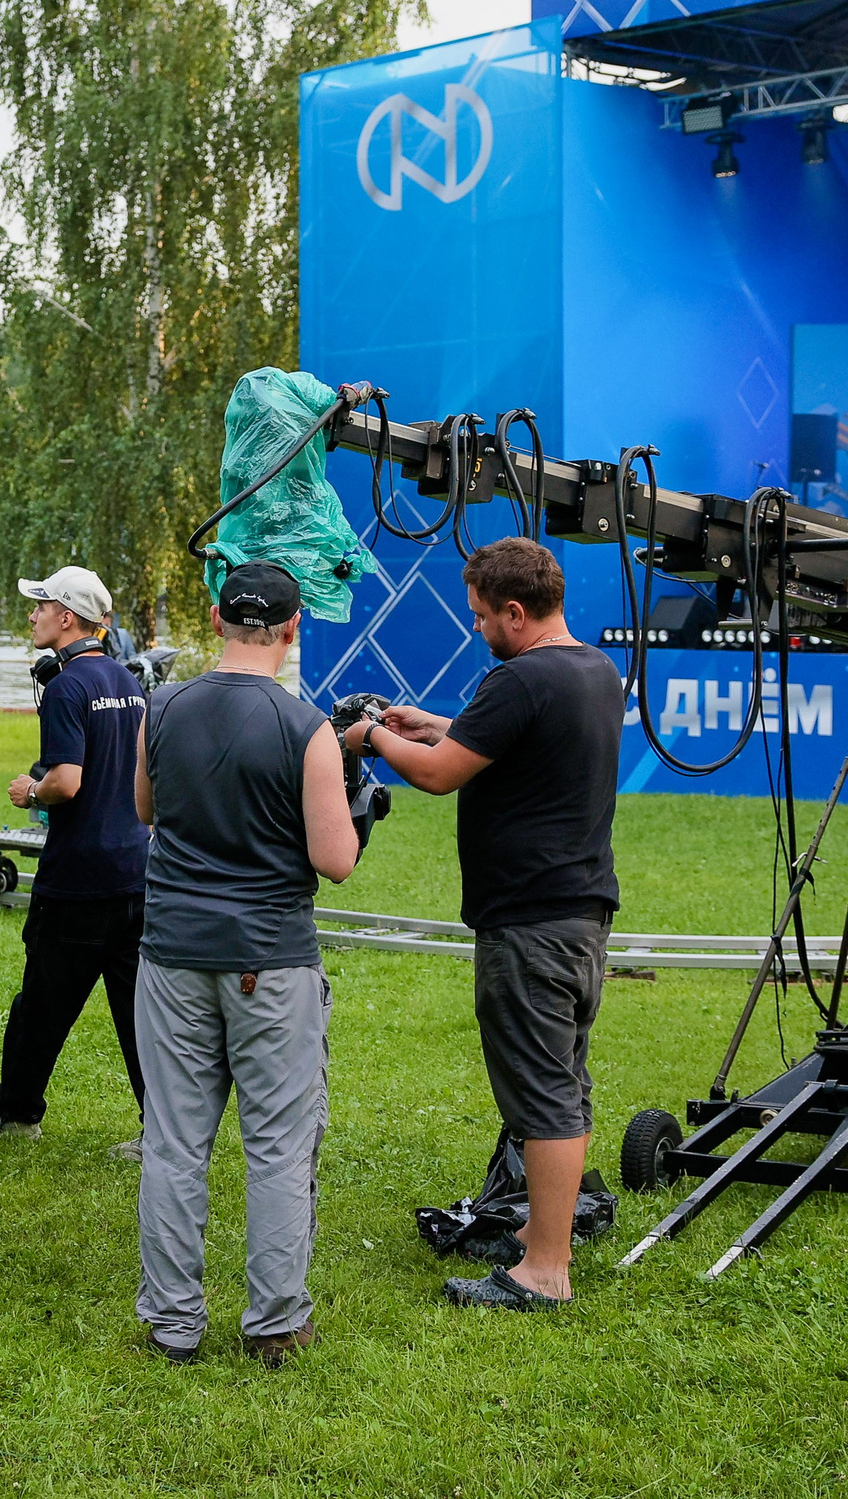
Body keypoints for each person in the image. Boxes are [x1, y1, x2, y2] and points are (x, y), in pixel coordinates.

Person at [343, 537, 622, 1311]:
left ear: (514, 611)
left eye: (480, 617)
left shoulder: (518, 677)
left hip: (530, 920)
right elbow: (512, 745)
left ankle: (545, 1270)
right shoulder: (593, 669)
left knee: (542, 1093)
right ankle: (545, 1236)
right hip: (578, 913)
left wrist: (371, 736)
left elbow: (436, 775)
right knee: (562, 1078)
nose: (476, 630)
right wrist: (435, 722)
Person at [133, 561, 357, 1369]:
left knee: (174, 1141)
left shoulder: (162, 705)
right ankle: (273, 1321)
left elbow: (145, 809)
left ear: (220, 618)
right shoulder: (307, 727)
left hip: (174, 953)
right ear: (294, 628)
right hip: (270, 957)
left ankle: (171, 1322)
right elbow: (335, 859)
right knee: (276, 1145)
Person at [0, 565, 151, 1157]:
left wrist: (28, 791)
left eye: (39, 607)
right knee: (138, 1011)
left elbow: (67, 780)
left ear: (66, 617)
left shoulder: (64, 687)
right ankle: (161, 1130)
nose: (31, 615)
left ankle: (14, 1112)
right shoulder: (129, 682)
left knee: (39, 1002)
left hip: (78, 875)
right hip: (134, 871)